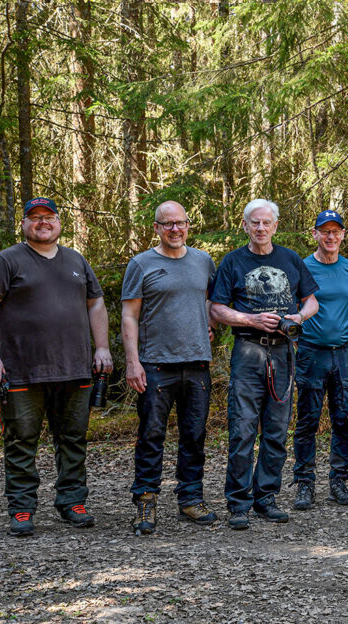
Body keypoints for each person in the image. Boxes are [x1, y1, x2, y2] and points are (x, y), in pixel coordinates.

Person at [0, 197, 113, 537]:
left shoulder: (76, 261)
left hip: (76, 367)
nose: (42, 223)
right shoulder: (5, 261)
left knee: (73, 439)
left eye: (49, 217)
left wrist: (103, 348)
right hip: (21, 370)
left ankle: (72, 502)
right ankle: (21, 509)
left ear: (59, 222)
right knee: (21, 440)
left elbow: (96, 304)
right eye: (34, 218)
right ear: (23, 224)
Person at [210, 198, 319, 530]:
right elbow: (216, 309)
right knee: (242, 430)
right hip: (247, 351)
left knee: (275, 430)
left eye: (266, 223)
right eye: (254, 222)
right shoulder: (233, 262)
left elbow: (312, 300)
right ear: (245, 225)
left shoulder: (289, 259)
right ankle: (238, 502)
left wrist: (298, 316)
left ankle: (265, 498)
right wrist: (251, 319)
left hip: (284, 352)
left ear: (275, 225)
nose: (260, 228)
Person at [122, 201, 218, 535]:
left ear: (188, 225)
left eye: (180, 223)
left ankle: (190, 497)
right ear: (157, 228)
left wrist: (208, 323)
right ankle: (145, 500)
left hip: (197, 363)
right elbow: (130, 315)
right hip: (155, 364)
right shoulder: (141, 264)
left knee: (194, 435)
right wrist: (132, 362)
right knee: (151, 435)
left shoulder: (203, 261)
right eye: (167, 224)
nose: (175, 229)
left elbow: (210, 300)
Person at [292, 210, 348, 511]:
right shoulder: (302, 267)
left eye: (336, 231)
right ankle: (305, 484)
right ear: (315, 234)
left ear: (343, 235)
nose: (330, 237)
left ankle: (338, 481)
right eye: (325, 231)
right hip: (311, 353)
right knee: (307, 420)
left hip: (344, 353)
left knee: (343, 420)